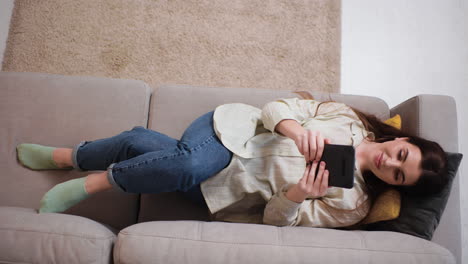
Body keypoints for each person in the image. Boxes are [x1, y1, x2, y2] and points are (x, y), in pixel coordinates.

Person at [16, 94, 448, 228]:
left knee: (141, 145)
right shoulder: (346, 119)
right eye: (402, 155)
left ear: (395, 185)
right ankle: (90, 184)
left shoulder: (351, 204)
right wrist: (296, 131)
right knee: (187, 163)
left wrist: (299, 195)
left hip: (221, 191)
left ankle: (68, 155)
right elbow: (275, 106)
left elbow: (279, 224)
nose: (392, 162)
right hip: (228, 134)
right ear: (403, 138)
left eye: (398, 175)